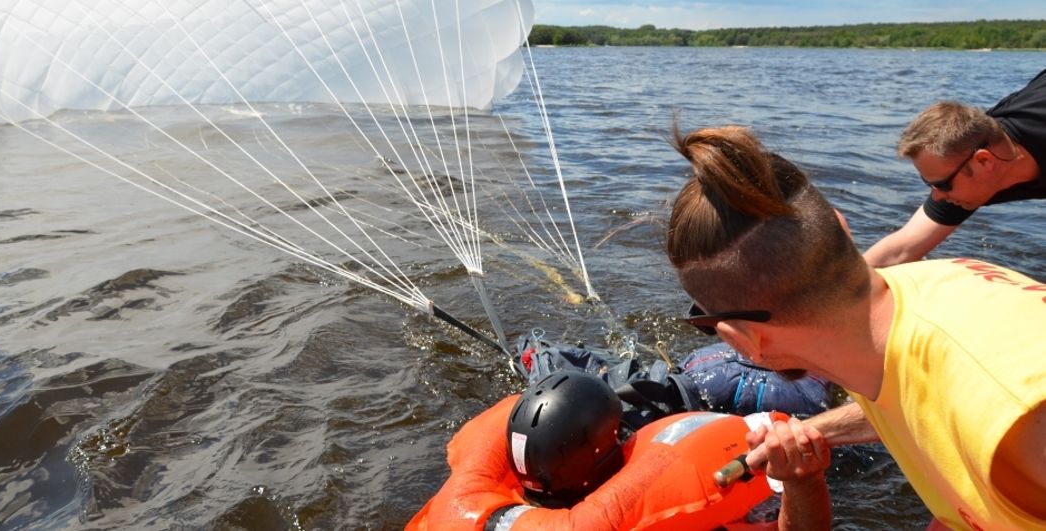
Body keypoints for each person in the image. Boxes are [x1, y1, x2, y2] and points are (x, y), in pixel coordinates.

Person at [664, 124, 1046, 530]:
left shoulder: (1015, 418)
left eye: (704, 321)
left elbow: (987, 406)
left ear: (741, 339)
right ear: (842, 227)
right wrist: (813, 432)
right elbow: (925, 405)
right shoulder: (927, 289)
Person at [408, 368, 833, 530]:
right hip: (717, 414)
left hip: (678, 401)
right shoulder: (649, 504)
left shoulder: (467, 506)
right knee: (806, 380)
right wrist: (804, 476)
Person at [864, 68, 1046, 268]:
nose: (939, 195)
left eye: (942, 184)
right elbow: (902, 249)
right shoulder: (975, 148)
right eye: (929, 183)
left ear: (984, 161)